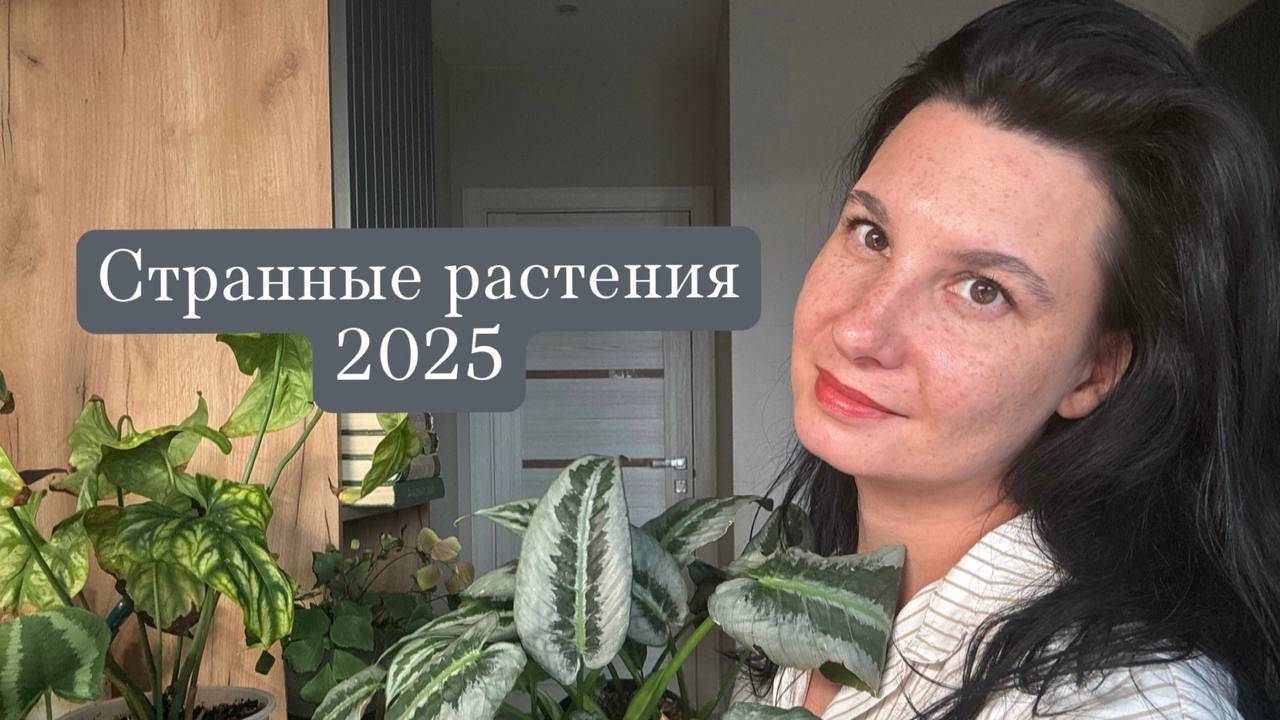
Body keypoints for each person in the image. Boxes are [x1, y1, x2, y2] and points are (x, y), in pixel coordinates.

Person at [731, 0, 1280, 718]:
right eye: (872, 235)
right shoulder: (807, 585)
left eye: (982, 290)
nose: (860, 330)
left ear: (1095, 370)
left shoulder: (1123, 701)